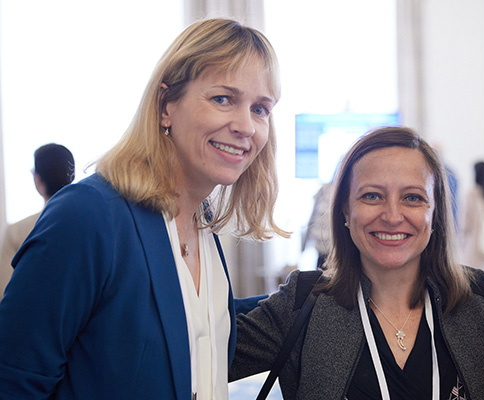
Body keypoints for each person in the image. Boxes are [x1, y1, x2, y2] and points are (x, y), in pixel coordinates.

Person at [0, 18, 285, 400]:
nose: (246, 126)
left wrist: (304, 298)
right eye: (223, 99)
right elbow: (15, 378)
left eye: (261, 109)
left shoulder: (202, 227)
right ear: (166, 105)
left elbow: (187, 330)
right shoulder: (89, 216)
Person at [230, 126, 484, 399]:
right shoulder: (301, 306)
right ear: (345, 210)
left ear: (434, 212)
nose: (392, 216)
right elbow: (196, 351)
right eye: (372, 196)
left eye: (412, 197)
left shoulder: (479, 300)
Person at [0, 143, 74, 294]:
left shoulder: (17, 232)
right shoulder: (92, 225)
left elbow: (5, 292)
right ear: (72, 176)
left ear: (37, 180)